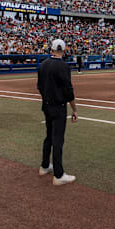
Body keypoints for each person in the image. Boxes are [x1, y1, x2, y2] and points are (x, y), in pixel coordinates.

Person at [37, 39, 78, 186]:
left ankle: (44, 166)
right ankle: (59, 175)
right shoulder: (63, 67)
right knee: (58, 139)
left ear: (52, 49)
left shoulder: (43, 64)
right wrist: (74, 109)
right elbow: (69, 91)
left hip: (46, 106)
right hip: (59, 107)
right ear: (64, 50)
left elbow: (39, 87)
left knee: (49, 136)